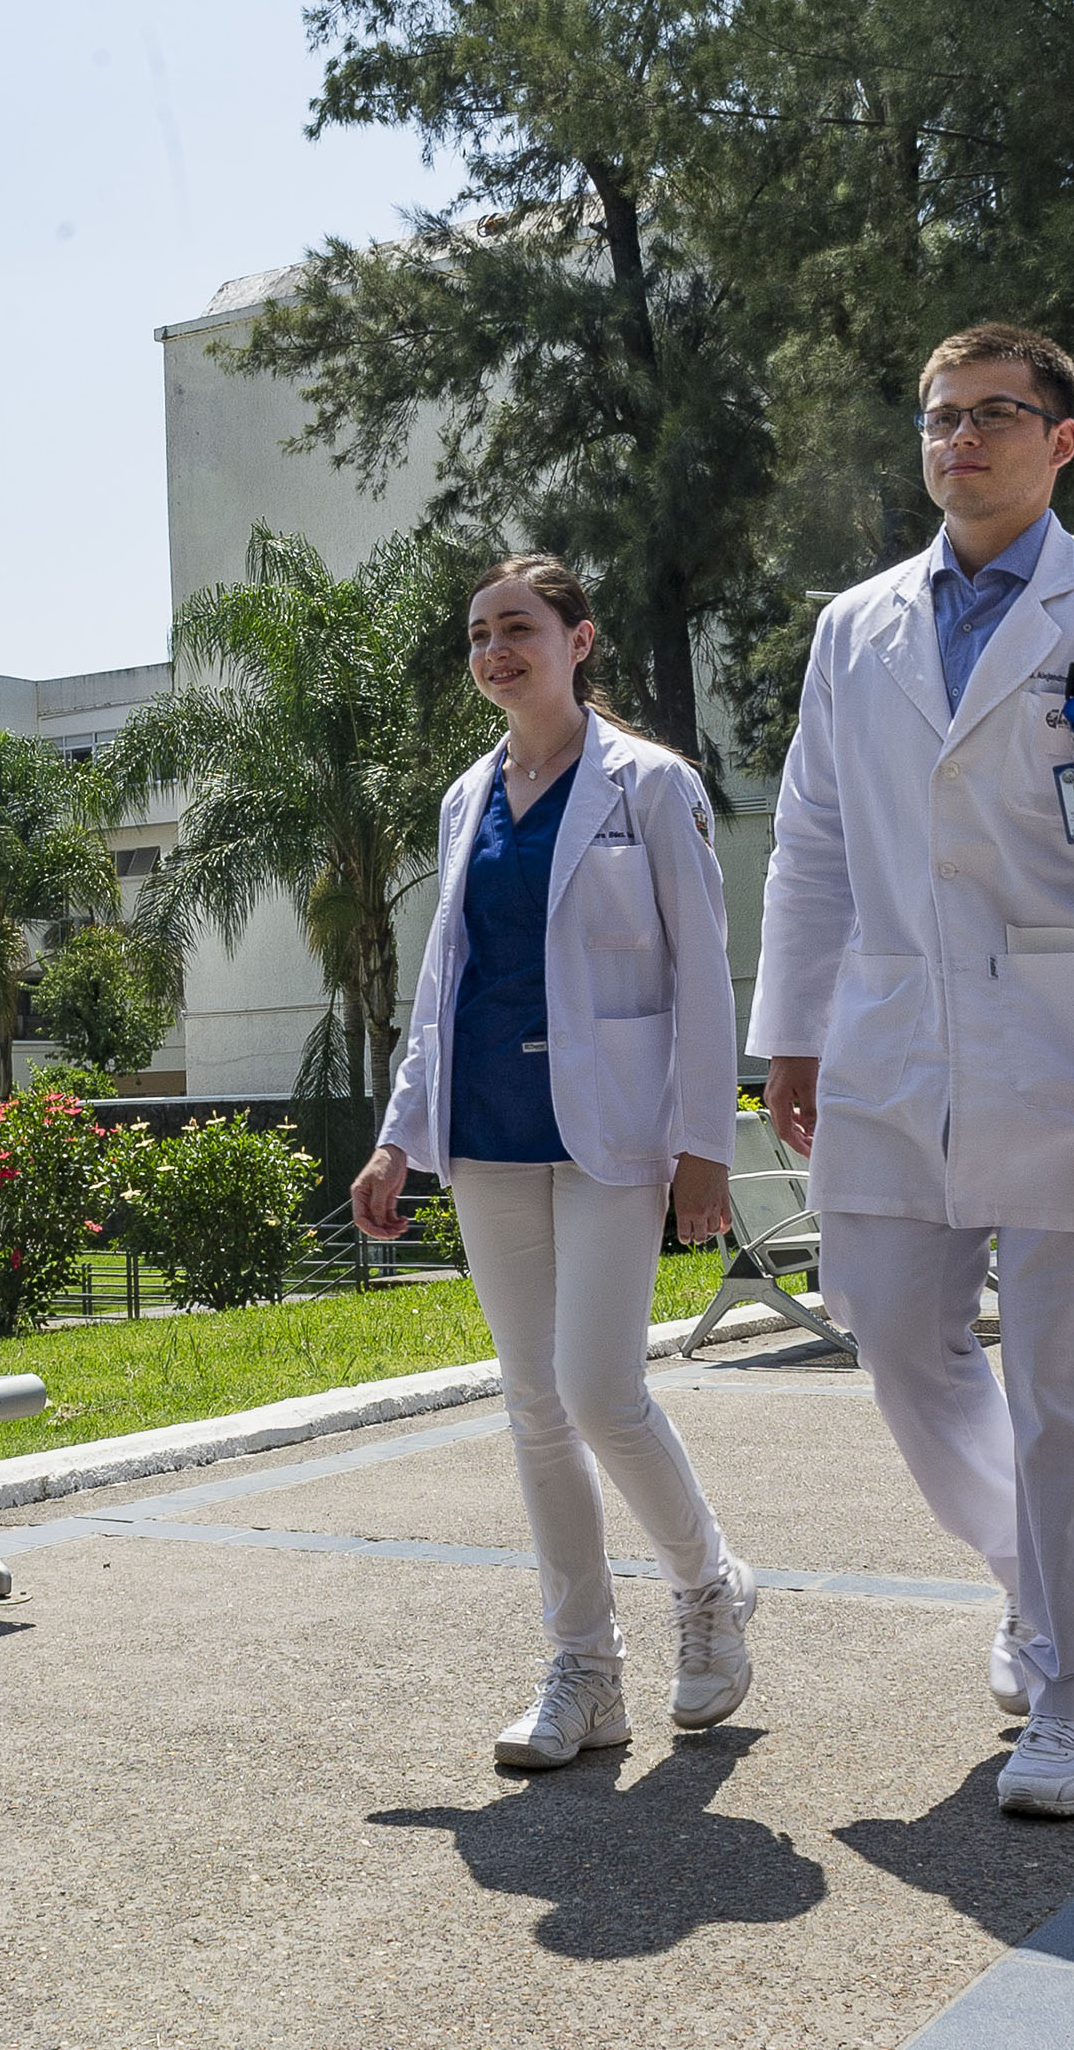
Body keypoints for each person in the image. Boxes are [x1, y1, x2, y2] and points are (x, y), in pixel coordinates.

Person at [752, 323, 1074, 1819]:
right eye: (937, 417)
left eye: (992, 414)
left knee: (1066, 1387)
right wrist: (791, 1029)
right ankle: (1036, 1581)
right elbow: (810, 837)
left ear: (1060, 439)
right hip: (892, 1031)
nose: (958, 440)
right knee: (893, 1333)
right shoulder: (856, 627)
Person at [357, 554, 755, 1769]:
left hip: (614, 1134)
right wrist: (397, 1135)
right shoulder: (465, 797)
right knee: (533, 1404)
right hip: (487, 1129)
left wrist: (705, 1143)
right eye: (480, 634)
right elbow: (442, 984)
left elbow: (703, 974)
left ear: (579, 640)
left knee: (598, 1389)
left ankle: (709, 1585)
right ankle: (586, 1668)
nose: (496, 651)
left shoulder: (653, 784)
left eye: (519, 627)